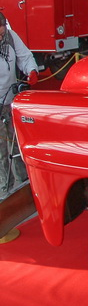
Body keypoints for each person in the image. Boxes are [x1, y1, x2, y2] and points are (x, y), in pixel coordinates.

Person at [0, 11, 38, 203]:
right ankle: (3, 195)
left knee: (17, 144)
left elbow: (24, 56)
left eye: (2, 32)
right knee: (1, 153)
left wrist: (31, 69)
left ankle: (22, 186)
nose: (1, 36)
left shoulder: (10, 36)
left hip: (11, 99)